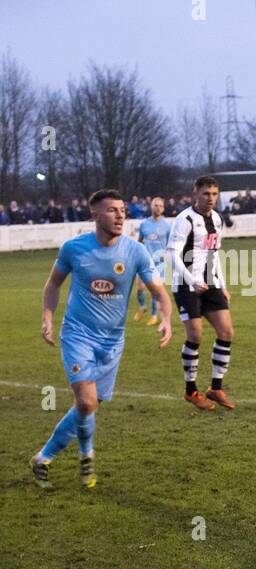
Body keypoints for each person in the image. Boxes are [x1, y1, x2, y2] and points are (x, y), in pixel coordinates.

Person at [30, 189, 174, 489]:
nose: (121, 215)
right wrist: (46, 316)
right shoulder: (74, 249)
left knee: (89, 406)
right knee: (86, 400)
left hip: (113, 342)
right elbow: (53, 284)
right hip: (77, 334)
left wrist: (166, 318)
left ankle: (60, 456)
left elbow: (159, 292)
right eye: (112, 210)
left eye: (123, 210)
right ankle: (71, 456)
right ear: (95, 215)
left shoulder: (135, 251)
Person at [167, 175, 235, 411]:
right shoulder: (184, 219)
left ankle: (215, 387)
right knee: (195, 335)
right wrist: (191, 280)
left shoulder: (217, 219)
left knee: (226, 332)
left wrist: (222, 284)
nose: (210, 198)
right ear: (195, 192)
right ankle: (191, 391)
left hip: (211, 284)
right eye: (206, 193)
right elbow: (173, 255)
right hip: (186, 284)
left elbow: (213, 255)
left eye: (215, 194)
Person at [133, 197, 170, 326]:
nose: (158, 207)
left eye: (160, 205)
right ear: (151, 207)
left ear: (163, 208)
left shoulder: (167, 226)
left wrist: (167, 255)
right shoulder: (144, 224)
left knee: (154, 290)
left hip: (159, 262)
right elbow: (140, 241)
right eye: (156, 205)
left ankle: (154, 315)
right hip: (145, 260)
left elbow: (171, 244)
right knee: (139, 287)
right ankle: (143, 307)